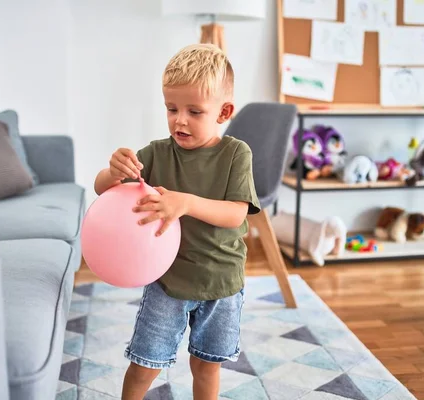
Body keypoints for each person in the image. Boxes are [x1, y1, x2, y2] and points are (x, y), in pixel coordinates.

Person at [93, 43, 260, 400]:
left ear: (223, 111)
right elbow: (102, 190)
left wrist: (185, 203)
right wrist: (112, 170)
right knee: (144, 364)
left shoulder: (235, 154)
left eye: (194, 111)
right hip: (167, 283)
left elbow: (236, 213)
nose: (179, 120)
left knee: (206, 366)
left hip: (222, 282)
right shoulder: (156, 153)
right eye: (171, 108)